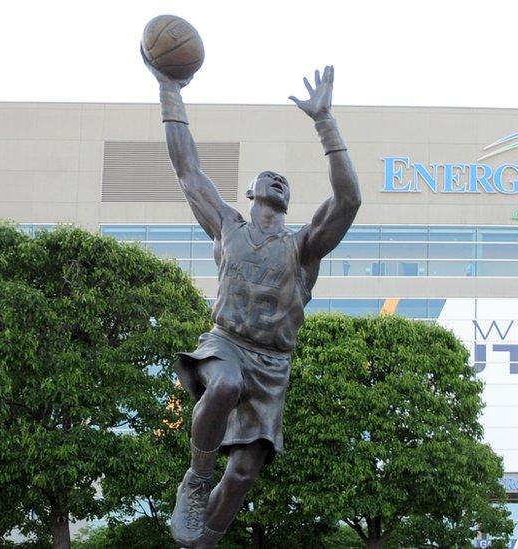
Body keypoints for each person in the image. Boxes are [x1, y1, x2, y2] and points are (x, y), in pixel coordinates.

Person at [143, 55, 361, 547]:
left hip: (274, 363)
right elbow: (187, 169)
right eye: (269, 177)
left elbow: (348, 200)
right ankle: (196, 478)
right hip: (227, 344)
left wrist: (325, 122)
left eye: (284, 180)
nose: (278, 180)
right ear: (252, 192)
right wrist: (170, 89)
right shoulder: (227, 226)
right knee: (222, 386)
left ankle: (204, 540)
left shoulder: (303, 247)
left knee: (242, 474)